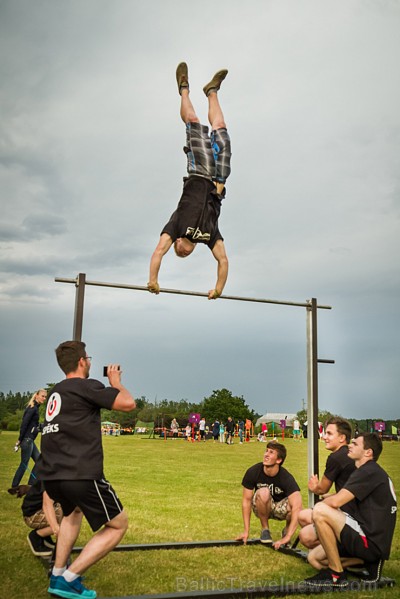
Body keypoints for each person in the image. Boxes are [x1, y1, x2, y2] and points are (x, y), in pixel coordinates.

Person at [37, 340, 136, 599]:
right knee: (118, 525)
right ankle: (70, 578)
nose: (90, 362)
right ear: (82, 362)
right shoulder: (85, 386)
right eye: (88, 358)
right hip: (79, 472)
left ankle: (58, 573)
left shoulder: (56, 392)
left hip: (53, 474)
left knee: (72, 515)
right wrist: (115, 382)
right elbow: (128, 403)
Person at [148, 62, 231, 300]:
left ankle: (183, 88)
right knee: (220, 128)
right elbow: (223, 261)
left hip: (199, 171)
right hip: (219, 178)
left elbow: (157, 253)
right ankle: (212, 91)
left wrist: (153, 280)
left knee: (193, 121)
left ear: (177, 244)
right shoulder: (209, 236)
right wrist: (218, 289)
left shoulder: (175, 228)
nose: (184, 254)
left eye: (179, 254)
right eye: (187, 256)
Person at [303, 432, 397, 590]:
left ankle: (336, 575)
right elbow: (343, 497)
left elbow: (336, 502)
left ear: (368, 452)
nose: (350, 445)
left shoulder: (368, 471)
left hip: (370, 539)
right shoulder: (368, 471)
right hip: (367, 536)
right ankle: (367, 562)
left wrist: (319, 508)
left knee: (320, 510)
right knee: (314, 559)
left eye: (355, 443)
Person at [298, 416, 356, 548]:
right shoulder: (351, 454)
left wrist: (314, 486)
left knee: (305, 532)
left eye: (329, 433)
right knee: (303, 516)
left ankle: (337, 550)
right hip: (356, 510)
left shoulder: (336, 458)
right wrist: (332, 495)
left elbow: (321, 489)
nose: (324, 437)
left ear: (342, 438)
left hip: (349, 514)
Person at [236, 441, 302, 549]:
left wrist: (289, 536)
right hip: (262, 506)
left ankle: (286, 531)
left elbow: (297, 506)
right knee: (263, 492)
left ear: (278, 460)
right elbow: (246, 501)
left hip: (280, 508)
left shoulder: (286, 477)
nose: (266, 454)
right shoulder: (253, 471)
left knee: (293, 504)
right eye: (266, 451)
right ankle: (265, 530)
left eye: (271, 452)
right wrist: (246, 531)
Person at [9, 389, 47, 492]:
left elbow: (33, 425)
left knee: (39, 461)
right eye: (42, 396)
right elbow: (24, 424)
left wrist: (41, 426)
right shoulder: (32, 408)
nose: (44, 398)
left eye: (45, 397)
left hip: (30, 440)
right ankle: (14, 487)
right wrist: (19, 440)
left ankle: (31, 484)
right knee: (24, 464)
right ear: (37, 396)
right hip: (27, 440)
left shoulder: (35, 408)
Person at [20, 478, 63, 557]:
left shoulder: (56, 472)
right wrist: (56, 528)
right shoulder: (53, 477)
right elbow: (47, 505)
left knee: (67, 512)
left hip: (37, 510)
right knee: (67, 521)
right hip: (32, 516)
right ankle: (36, 536)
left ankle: (45, 537)